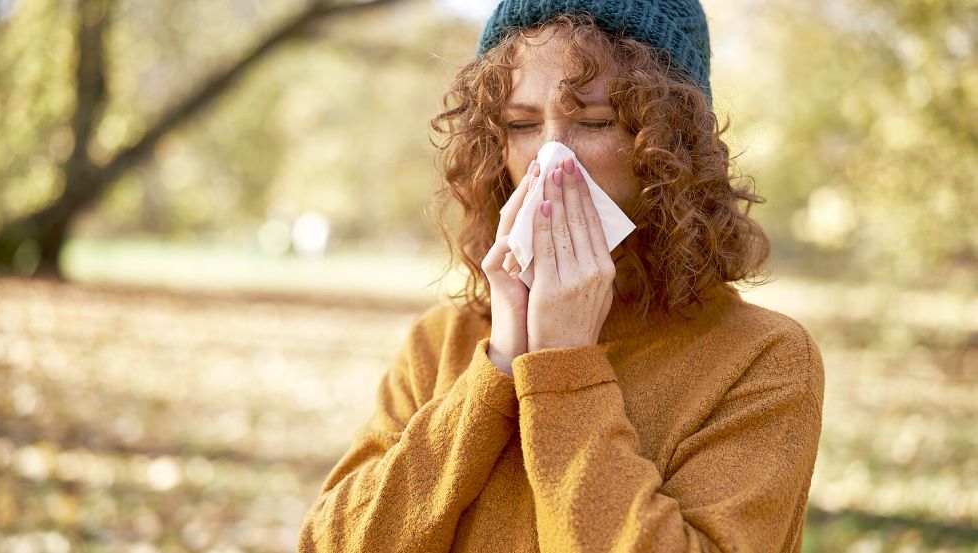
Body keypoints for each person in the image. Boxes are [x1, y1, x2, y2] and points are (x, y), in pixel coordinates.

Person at [298, 1, 824, 551]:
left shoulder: (762, 359)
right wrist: (499, 365)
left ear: (672, 146)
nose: (550, 159)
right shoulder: (442, 343)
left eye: (596, 122)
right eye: (521, 125)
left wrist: (564, 370)